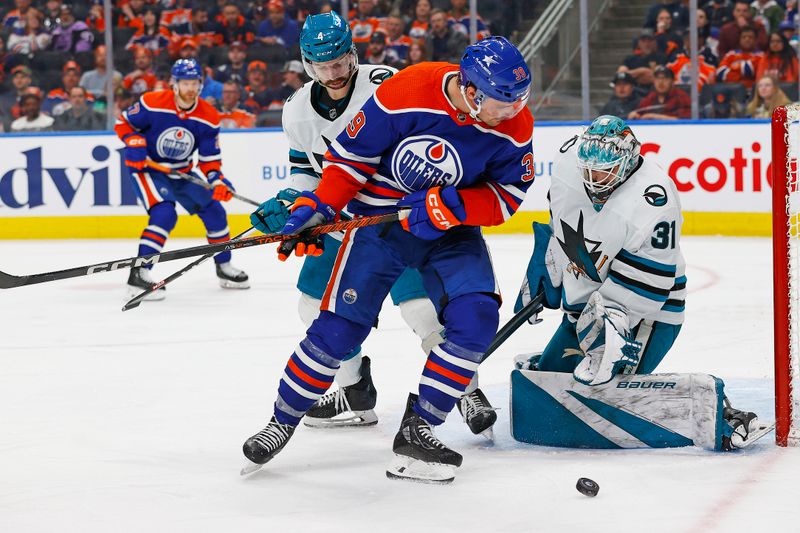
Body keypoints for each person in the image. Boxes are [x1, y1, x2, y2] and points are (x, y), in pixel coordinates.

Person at [241, 35, 534, 484]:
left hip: (450, 233)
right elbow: (348, 162)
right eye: (502, 102)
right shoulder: (409, 89)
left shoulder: (514, 123)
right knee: (337, 330)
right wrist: (315, 206)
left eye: (519, 101)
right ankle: (281, 421)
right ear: (471, 90)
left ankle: (419, 430)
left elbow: (506, 196)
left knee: (475, 318)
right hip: (378, 225)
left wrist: (450, 206)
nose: (512, 112)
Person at [511, 115, 763, 451]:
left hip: (647, 311)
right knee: (548, 390)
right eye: (588, 169)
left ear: (627, 162)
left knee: (605, 392)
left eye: (603, 171)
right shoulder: (569, 163)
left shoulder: (654, 198)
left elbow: (652, 286)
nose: (593, 179)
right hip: (586, 306)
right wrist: (550, 256)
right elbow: (565, 220)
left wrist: (609, 328)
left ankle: (724, 416)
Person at [114, 58, 250, 300]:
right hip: (150, 169)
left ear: (201, 84)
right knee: (164, 214)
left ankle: (224, 267)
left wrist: (217, 180)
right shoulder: (152, 102)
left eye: (194, 83)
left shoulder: (208, 116)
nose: (190, 89)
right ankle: (139, 276)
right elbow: (123, 123)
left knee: (215, 212)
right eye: (185, 83)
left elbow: (209, 159)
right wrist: (133, 141)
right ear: (173, 84)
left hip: (182, 172)